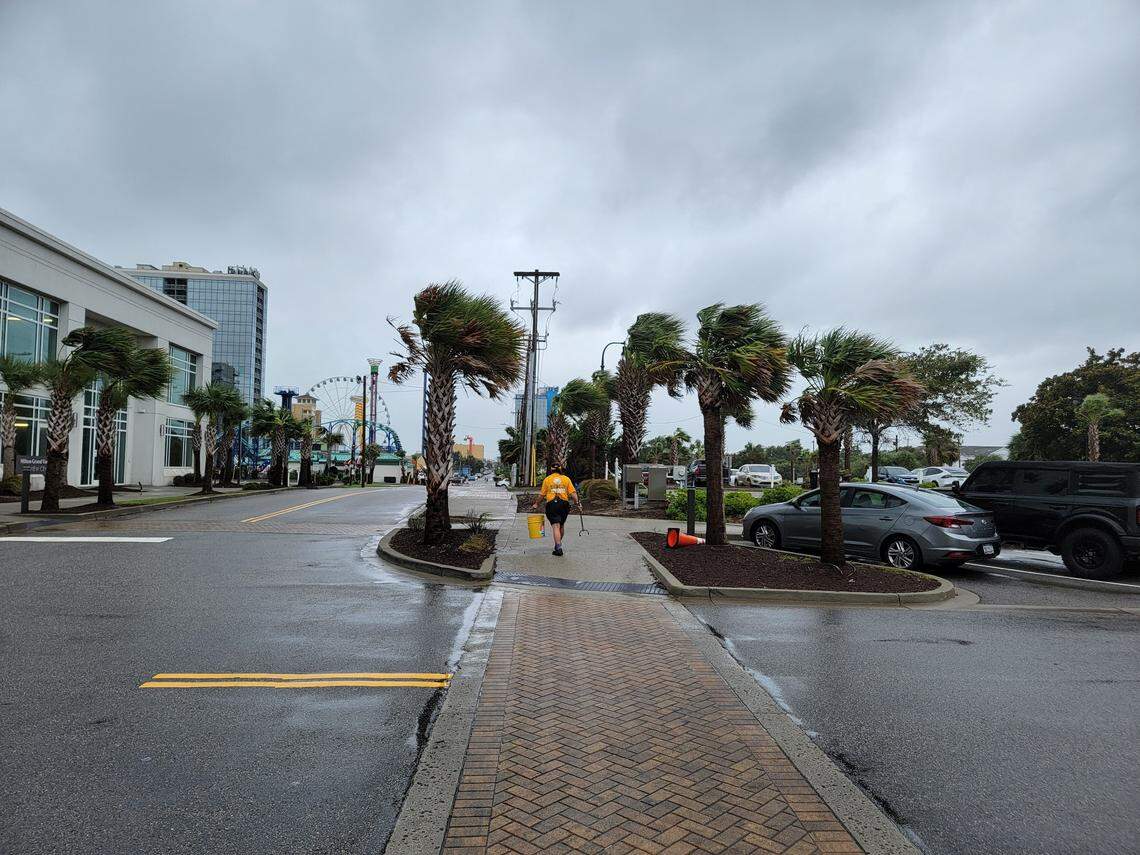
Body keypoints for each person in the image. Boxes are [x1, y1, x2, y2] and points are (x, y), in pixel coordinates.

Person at [532, 465, 581, 556]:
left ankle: (558, 548)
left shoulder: (547, 479)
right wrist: (577, 503)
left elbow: (542, 495)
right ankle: (557, 545)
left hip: (552, 505)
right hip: (564, 505)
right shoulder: (566, 479)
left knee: (555, 526)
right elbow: (573, 493)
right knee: (561, 526)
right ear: (560, 470)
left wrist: (536, 503)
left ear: (551, 471)